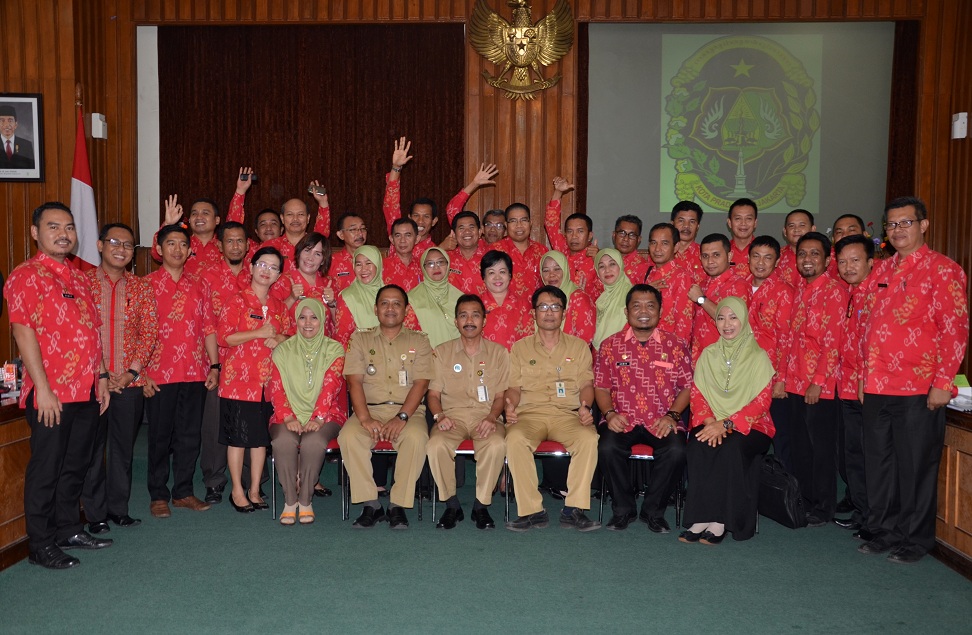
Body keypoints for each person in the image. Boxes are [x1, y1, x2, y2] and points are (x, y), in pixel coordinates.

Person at [859, 196, 968, 564]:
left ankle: (915, 539)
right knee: (880, 464)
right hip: (876, 385)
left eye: (905, 223)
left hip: (918, 388)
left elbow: (954, 329)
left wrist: (943, 381)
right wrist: (863, 375)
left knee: (915, 466)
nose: (897, 230)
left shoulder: (944, 270)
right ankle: (884, 530)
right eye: (891, 225)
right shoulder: (882, 270)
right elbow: (867, 328)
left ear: (923, 225)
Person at [5, 202, 111, 569]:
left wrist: (100, 377)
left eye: (68, 227)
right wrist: (43, 388)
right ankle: (41, 543)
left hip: (85, 391)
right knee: (46, 470)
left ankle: (68, 529)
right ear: (36, 233)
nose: (64, 233)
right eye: (53, 227)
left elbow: (93, 333)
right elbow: (23, 331)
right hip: (52, 395)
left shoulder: (78, 277)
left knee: (76, 466)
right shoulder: (27, 275)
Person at [81, 223, 158, 533]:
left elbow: (148, 333)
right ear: (100, 246)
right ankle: (95, 513)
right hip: (91, 384)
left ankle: (118, 509)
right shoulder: (82, 283)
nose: (121, 249)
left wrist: (130, 374)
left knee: (122, 450)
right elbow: (82, 332)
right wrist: (102, 375)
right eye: (114, 242)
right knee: (91, 450)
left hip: (130, 384)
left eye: (128, 245)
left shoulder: (142, 287)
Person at [595, 284, 691, 532]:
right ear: (626, 312)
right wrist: (609, 413)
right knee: (606, 446)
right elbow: (602, 387)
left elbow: (687, 387)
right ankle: (623, 509)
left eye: (650, 305)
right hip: (622, 419)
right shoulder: (610, 345)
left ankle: (653, 511)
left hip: (661, 419)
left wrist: (672, 416)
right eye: (636, 306)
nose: (643, 311)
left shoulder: (676, 345)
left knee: (677, 451)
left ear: (660, 311)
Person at [504, 286, 600, 532]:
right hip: (530, 414)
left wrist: (585, 406)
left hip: (565, 415)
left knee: (588, 438)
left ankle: (573, 509)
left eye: (555, 307)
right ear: (534, 313)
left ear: (564, 313)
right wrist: (510, 405)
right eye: (543, 307)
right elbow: (513, 387)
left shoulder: (578, 347)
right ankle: (532, 510)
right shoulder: (520, 348)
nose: (549, 312)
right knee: (514, 438)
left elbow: (586, 384)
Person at [680, 297, 776, 544]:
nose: (726, 323)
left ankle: (721, 520)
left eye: (733, 317)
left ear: (743, 321)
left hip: (753, 426)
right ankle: (702, 516)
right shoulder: (708, 354)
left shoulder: (758, 357)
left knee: (730, 448)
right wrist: (710, 421)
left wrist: (727, 424)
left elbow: (761, 403)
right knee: (698, 446)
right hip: (713, 420)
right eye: (721, 317)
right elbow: (698, 394)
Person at [338, 284, 434, 529]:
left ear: (406, 310)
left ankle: (397, 505)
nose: (390, 308)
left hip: (408, 411)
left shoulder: (420, 341)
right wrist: (365, 418)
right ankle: (371, 503)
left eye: (396, 304)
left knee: (416, 437)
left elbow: (421, 383)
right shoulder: (360, 339)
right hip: (369, 409)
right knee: (349, 437)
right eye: (384, 303)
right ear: (375, 309)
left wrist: (402, 416)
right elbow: (354, 381)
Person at [143, 223, 219, 518]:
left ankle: (184, 492)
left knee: (190, 435)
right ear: (159, 250)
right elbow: (137, 333)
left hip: (194, 371)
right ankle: (158, 494)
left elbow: (209, 327)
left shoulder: (200, 284)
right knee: (160, 436)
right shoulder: (145, 285)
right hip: (158, 374)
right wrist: (141, 374)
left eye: (183, 244)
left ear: (190, 250)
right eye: (170, 244)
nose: (177, 249)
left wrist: (214, 365)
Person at [217, 247, 292, 514]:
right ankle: (237, 490)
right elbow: (223, 338)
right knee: (237, 439)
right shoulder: (236, 301)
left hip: (268, 384)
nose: (266, 271)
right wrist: (258, 332)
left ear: (278, 276)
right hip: (238, 381)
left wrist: (279, 338)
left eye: (272, 268)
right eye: (262, 264)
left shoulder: (280, 307)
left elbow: (291, 337)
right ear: (251, 267)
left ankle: (254, 489)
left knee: (260, 440)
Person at [427, 294, 510, 530]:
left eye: (475, 315)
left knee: (495, 444)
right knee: (435, 445)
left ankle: (480, 507)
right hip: (451, 417)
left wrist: (492, 417)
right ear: (456, 321)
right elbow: (433, 395)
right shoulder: (441, 353)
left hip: (486, 415)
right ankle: (452, 505)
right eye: (463, 315)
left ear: (484, 320)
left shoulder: (499, 353)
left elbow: (500, 397)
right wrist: (439, 416)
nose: (469, 320)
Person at [785, 232, 848, 527]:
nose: (807, 259)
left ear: (827, 259)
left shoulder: (834, 291)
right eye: (802, 254)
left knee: (821, 449)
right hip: (795, 382)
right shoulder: (801, 289)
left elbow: (833, 341)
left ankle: (824, 508)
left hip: (818, 386)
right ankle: (807, 501)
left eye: (814, 254)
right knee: (801, 448)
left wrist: (818, 381)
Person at [266, 299, 346, 525]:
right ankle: (290, 501)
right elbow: (276, 387)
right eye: (302, 317)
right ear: (296, 321)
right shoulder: (283, 350)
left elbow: (331, 386)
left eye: (314, 317)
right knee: (282, 441)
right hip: (287, 414)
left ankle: (305, 500)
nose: (308, 323)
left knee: (313, 442)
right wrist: (288, 416)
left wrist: (318, 417)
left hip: (327, 414)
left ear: (322, 320)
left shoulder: (334, 349)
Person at [199, 220, 252, 505]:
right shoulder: (206, 276)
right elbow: (206, 322)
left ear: (247, 244)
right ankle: (214, 481)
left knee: (248, 422)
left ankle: (249, 480)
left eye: (240, 241)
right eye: (229, 241)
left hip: (251, 364)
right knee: (215, 423)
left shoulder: (256, 275)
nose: (235, 246)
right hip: (218, 361)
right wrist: (214, 364)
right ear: (219, 245)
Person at [832, 234, 877, 537]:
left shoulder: (876, 295)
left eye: (855, 260)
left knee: (870, 456)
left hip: (867, 390)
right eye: (843, 261)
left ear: (871, 263)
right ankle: (863, 513)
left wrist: (864, 378)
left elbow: (873, 345)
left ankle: (875, 519)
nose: (848, 266)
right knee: (853, 456)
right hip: (845, 387)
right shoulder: (850, 292)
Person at [746, 235, 794, 472]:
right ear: (748, 258)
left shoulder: (784, 291)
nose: (761, 262)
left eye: (768, 258)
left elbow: (786, 338)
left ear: (777, 262)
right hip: (743, 374)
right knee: (748, 432)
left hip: (772, 376)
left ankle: (786, 494)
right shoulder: (740, 286)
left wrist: (782, 379)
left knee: (782, 437)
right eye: (756, 256)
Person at [687, 234, 750, 365]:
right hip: (698, 358)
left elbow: (731, 321)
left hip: (724, 361)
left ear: (729, 256)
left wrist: (701, 299)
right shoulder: (702, 284)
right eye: (705, 256)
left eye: (716, 255)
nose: (710, 261)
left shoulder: (739, 285)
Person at [544, 177, 602, 299]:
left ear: (590, 235)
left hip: (588, 313)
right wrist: (558, 192)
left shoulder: (597, 258)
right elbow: (551, 225)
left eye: (580, 231)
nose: (574, 236)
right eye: (570, 231)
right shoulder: (562, 250)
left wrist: (599, 260)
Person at [645, 223, 695, 342]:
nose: (657, 249)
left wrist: (677, 354)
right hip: (645, 345)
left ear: (676, 247)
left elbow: (684, 324)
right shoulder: (649, 273)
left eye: (665, 243)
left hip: (668, 348)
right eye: (653, 243)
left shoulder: (681, 277)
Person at [404, 248, 464, 348]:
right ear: (423, 268)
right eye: (430, 264)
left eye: (440, 262)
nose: (436, 267)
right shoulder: (411, 298)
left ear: (448, 264)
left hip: (458, 356)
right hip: (426, 356)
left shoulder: (461, 297)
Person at [151, 194, 225, 275]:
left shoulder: (224, 247)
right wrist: (167, 224)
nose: (199, 217)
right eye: (194, 214)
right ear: (189, 220)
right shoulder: (181, 245)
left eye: (205, 213)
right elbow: (156, 253)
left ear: (217, 220)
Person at [271, 231, 337, 315]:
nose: (310, 258)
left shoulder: (329, 283)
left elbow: (339, 324)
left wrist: (332, 304)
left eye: (317, 254)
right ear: (299, 252)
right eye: (307, 250)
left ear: (323, 260)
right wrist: (291, 298)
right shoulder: (282, 281)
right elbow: (273, 318)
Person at [479, 250, 533, 351]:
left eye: (502, 272)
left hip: (515, 363)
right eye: (491, 273)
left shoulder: (523, 305)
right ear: (483, 277)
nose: (497, 277)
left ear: (510, 275)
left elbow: (529, 341)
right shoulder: (476, 305)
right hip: (484, 363)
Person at [333, 245, 384, 349]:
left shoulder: (390, 294)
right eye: (358, 264)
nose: (363, 269)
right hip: (360, 357)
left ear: (378, 265)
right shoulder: (347, 297)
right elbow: (343, 338)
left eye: (368, 263)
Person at [540, 251, 596, 343]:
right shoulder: (541, 299)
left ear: (565, 270)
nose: (551, 274)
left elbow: (585, 340)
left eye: (557, 269)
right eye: (546, 270)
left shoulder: (579, 298)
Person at [496, 203, 547, 290]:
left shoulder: (542, 251)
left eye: (523, 220)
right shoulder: (495, 250)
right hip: (504, 303)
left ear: (530, 223)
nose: (519, 225)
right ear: (506, 224)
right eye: (513, 221)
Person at [592, 249, 633, 350]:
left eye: (612, 264)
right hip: (599, 354)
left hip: (622, 353)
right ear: (597, 272)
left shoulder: (631, 295)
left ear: (620, 266)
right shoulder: (601, 298)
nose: (607, 270)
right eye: (601, 266)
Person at [446, 211, 490, 294]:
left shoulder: (491, 258)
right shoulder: (445, 258)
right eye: (461, 228)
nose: (467, 232)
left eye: (471, 227)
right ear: (454, 234)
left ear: (480, 231)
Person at [329, 212, 369, 292]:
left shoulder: (373, 259)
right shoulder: (331, 262)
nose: (360, 233)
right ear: (341, 235)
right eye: (353, 229)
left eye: (363, 228)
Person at [777, 209, 816, 287]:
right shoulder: (776, 256)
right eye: (791, 226)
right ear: (785, 232)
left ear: (813, 229)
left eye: (802, 225)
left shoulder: (827, 255)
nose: (796, 229)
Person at [383, 218, 424, 291]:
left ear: (417, 239)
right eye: (398, 235)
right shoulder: (381, 267)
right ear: (392, 239)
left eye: (408, 235)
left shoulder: (423, 266)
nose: (402, 240)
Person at [670, 200, 704, 283]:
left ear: (698, 227)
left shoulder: (705, 254)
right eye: (681, 221)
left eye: (692, 222)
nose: (686, 226)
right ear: (672, 224)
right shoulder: (661, 253)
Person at [611, 215, 650, 283]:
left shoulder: (644, 267)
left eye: (632, 235)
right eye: (622, 233)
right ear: (614, 235)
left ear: (639, 239)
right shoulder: (604, 261)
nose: (626, 239)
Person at [726, 198, 758, 277]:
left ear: (755, 223)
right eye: (738, 218)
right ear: (729, 223)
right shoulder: (723, 251)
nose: (743, 223)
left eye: (748, 219)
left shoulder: (765, 251)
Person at [0, 103, 35, 169]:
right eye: (2, 120)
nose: (6, 124)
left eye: (10, 120)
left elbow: (32, 170)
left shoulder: (26, 145)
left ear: (16, 124)